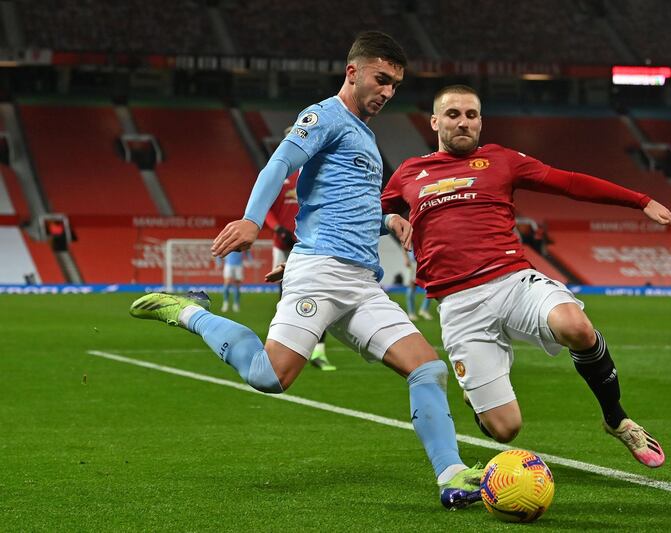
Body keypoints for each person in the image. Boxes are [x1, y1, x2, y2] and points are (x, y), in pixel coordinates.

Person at [129, 32, 482, 509]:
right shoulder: (324, 117)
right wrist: (253, 220)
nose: (387, 92)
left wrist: (385, 220)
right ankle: (189, 312)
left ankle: (452, 476)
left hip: (360, 281)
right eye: (381, 79)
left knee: (427, 368)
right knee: (268, 377)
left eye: (396, 85)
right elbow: (279, 164)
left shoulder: (366, 136)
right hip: (321, 274)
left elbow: (340, 206)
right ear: (352, 72)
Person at [381, 84, 671, 468]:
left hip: (513, 281)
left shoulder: (501, 160)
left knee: (576, 326)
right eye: (453, 114)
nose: (463, 122)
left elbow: (569, 182)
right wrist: (389, 217)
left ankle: (616, 418)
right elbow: (370, 211)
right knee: (505, 430)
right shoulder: (409, 171)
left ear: (480, 123)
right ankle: (478, 398)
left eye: (471, 115)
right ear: (435, 121)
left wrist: (641, 200)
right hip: (458, 306)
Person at [265, 150, 335, 371]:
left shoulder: (318, 173)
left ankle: (319, 351)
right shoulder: (281, 174)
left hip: (309, 243)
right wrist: (278, 229)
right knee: (285, 293)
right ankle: (281, 345)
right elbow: (266, 207)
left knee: (319, 290)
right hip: (282, 243)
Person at [403, 248, 432, 321]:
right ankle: (411, 313)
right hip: (413, 262)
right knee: (412, 286)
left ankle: (424, 309)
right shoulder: (410, 236)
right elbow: (404, 244)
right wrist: (406, 258)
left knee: (430, 286)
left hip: (424, 261)